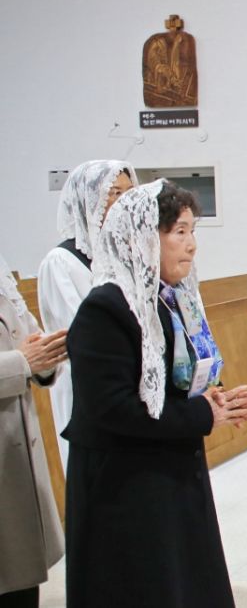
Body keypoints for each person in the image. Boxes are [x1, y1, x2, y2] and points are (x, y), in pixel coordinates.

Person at [63, 180, 247, 608]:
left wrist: (214, 398)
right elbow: (112, 409)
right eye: (179, 232)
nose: (191, 245)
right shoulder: (106, 308)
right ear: (143, 237)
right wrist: (203, 416)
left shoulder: (172, 299)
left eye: (193, 232)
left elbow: (181, 378)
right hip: (125, 487)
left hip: (169, 468)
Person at [37, 159, 136, 470]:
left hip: (130, 383)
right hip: (88, 386)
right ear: (88, 200)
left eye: (129, 192)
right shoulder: (61, 262)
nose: (125, 201)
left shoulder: (126, 255)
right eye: (114, 193)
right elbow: (79, 333)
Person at [0, 253, 65, 608]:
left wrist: (46, 357)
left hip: (16, 453)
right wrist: (21, 362)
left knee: (21, 582)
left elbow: (28, 334)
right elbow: (22, 355)